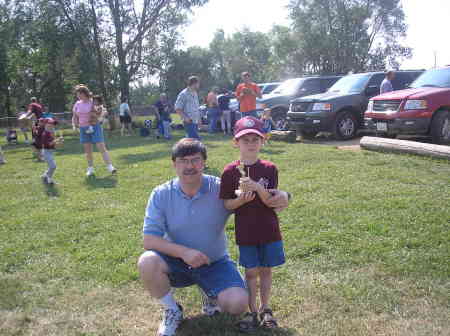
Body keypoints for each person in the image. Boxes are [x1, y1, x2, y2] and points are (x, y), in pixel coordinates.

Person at [137, 138, 291, 336]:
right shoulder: (160, 194)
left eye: (196, 160)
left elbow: (254, 198)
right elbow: (149, 240)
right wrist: (184, 252)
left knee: (238, 304)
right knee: (147, 262)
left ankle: (210, 297)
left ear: (204, 163)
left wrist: (286, 195)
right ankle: (171, 310)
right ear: (174, 164)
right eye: (183, 160)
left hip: (214, 262)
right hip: (175, 262)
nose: (190, 166)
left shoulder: (220, 188)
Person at [219, 117, 286, 332]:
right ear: (235, 143)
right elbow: (227, 204)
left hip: (268, 230)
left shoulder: (269, 168)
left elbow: (270, 201)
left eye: (255, 139)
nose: (250, 143)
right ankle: (251, 311)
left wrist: (257, 187)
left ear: (262, 141)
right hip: (246, 231)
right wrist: (241, 200)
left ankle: (266, 308)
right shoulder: (230, 171)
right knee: (250, 272)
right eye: (245, 139)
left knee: (266, 271)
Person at [72, 84, 116, 177]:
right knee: (88, 150)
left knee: (101, 147)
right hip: (83, 128)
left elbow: (103, 112)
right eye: (77, 94)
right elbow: (75, 115)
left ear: (84, 93)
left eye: (79, 93)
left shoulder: (93, 102)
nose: (78, 96)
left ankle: (110, 167)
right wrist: (75, 126)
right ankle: (90, 169)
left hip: (94, 127)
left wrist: (99, 117)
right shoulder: (77, 103)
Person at [40, 118, 60, 185]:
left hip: (50, 152)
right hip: (46, 152)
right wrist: (57, 140)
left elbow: (53, 144)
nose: (52, 126)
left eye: (53, 124)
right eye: (50, 124)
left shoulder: (50, 132)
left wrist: (58, 142)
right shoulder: (45, 134)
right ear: (45, 124)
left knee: (52, 166)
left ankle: (45, 176)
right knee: (53, 166)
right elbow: (49, 144)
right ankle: (49, 179)